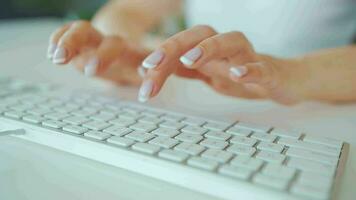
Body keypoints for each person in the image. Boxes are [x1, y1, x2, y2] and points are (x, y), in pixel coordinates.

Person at [46, 0, 356, 105]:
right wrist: (132, 51)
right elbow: (127, 10)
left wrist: (291, 73)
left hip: (323, 119)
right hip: (206, 116)